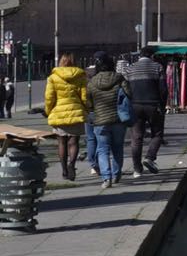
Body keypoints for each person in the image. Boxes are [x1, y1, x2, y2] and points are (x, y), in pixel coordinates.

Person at [85, 50, 131, 186]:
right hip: (118, 120)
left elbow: (89, 103)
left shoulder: (92, 82)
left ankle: (106, 177)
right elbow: (129, 94)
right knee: (117, 148)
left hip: (100, 121)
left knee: (102, 149)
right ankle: (116, 174)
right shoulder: (120, 78)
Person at [43, 53, 89, 180]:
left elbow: (49, 98)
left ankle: (64, 170)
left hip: (59, 113)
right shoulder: (80, 76)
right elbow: (84, 97)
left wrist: (48, 111)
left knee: (61, 142)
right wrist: (86, 109)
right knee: (74, 142)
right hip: (76, 112)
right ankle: (72, 165)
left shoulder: (53, 77)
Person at [124, 44, 167, 175]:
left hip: (135, 105)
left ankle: (137, 169)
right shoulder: (157, 67)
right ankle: (149, 157)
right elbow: (163, 90)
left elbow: (125, 89)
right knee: (157, 134)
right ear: (152, 56)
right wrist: (163, 105)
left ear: (140, 56)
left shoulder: (130, 69)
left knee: (136, 137)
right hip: (153, 105)